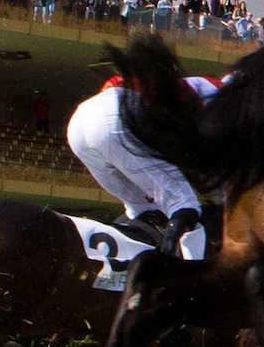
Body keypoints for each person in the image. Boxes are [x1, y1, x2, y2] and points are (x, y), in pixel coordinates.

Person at [66, 70, 221, 258]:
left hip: (80, 123)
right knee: (185, 205)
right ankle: (189, 278)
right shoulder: (222, 96)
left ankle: (125, 268)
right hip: (116, 117)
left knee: (142, 208)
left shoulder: (194, 88)